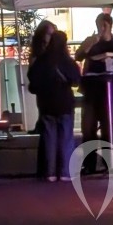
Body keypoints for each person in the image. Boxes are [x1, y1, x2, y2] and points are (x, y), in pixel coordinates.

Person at [76, 12, 113, 173]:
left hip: (108, 91)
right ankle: (89, 164)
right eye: (99, 25)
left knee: (108, 128)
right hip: (91, 91)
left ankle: (109, 163)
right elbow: (78, 56)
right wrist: (90, 45)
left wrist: (112, 61)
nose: (101, 28)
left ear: (110, 25)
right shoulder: (91, 41)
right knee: (88, 128)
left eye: (104, 25)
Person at [28, 30, 82, 182]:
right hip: (64, 103)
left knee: (49, 138)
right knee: (66, 138)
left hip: (46, 104)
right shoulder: (67, 61)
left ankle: (50, 172)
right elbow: (76, 80)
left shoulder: (41, 61)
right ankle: (65, 172)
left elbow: (33, 82)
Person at [27, 20, 58, 178]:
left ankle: (48, 167)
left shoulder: (51, 52)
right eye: (49, 34)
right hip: (46, 94)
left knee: (49, 129)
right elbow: (33, 75)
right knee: (48, 128)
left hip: (50, 93)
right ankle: (48, 167)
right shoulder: (39, 54)